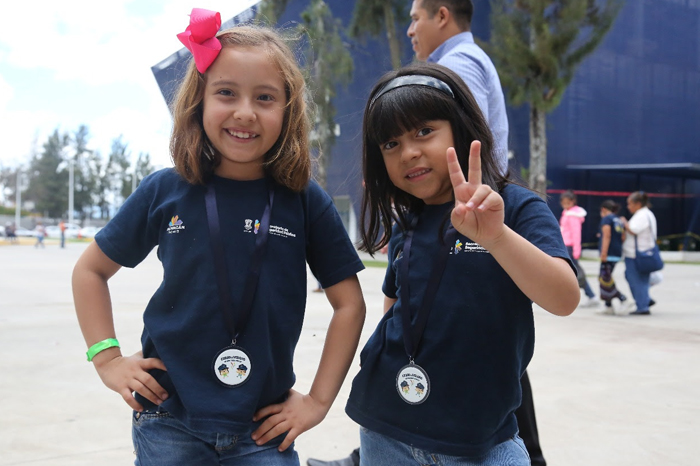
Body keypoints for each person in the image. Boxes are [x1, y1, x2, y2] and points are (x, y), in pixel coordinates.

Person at [72, 11, 366, 466]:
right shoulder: (164, 190)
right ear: (199, 101)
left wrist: (317, 401)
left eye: (265, 97)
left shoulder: (305, 201)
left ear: (288, 110)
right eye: (226, 92)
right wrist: (106, 358)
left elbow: (349, 305)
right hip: (167, 420)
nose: (245, 112)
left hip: (263, 429)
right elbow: (90, 271)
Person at [344, 62, 578, 465]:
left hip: (483, 440)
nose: (409, 152)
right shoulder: (407, 224)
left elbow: (565, 298)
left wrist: (497, 237)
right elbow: (395, 303)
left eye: (424, 131)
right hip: (387, 430)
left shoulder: (513, 208)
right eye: (391, 143)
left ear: (460, 127)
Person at [407, 0, 509, 176]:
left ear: (442, 16)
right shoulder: (465, 58)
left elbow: (467, 143)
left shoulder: (456, 63)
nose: (410, 31)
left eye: (416, 19)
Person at [621, 191, 658, 315]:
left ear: (637, 204)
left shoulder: (642, 215)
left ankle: (643, 306)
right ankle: (644, 300)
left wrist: (624, 223)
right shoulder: (647, 214)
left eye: (630, 204)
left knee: (636, 280)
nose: (628, 207)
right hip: (643, 253)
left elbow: (633, 230)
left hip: (636, 255)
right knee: (637, 278)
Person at [560, 190, 597, 308]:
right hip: (566, 246)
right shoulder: (567, 213)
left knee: (575, 273)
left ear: (573, 202)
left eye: (568, 203)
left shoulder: (573, 215)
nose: (566, 205)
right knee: (570, 273)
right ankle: (590, 295)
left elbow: (576, 234)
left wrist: (577, 250)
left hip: (570, 247)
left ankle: (591, 295)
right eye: (564, 203)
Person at [597, 200, 627, 315]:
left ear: (603, 209)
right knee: (605, 278)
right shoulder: (618, 219)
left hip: (608, 254)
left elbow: (607, 235)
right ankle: (608, 305)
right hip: (616, 252)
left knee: (605, 278)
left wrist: (604, 253)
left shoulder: (607, 219)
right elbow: (623, 237)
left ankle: (622, 298)